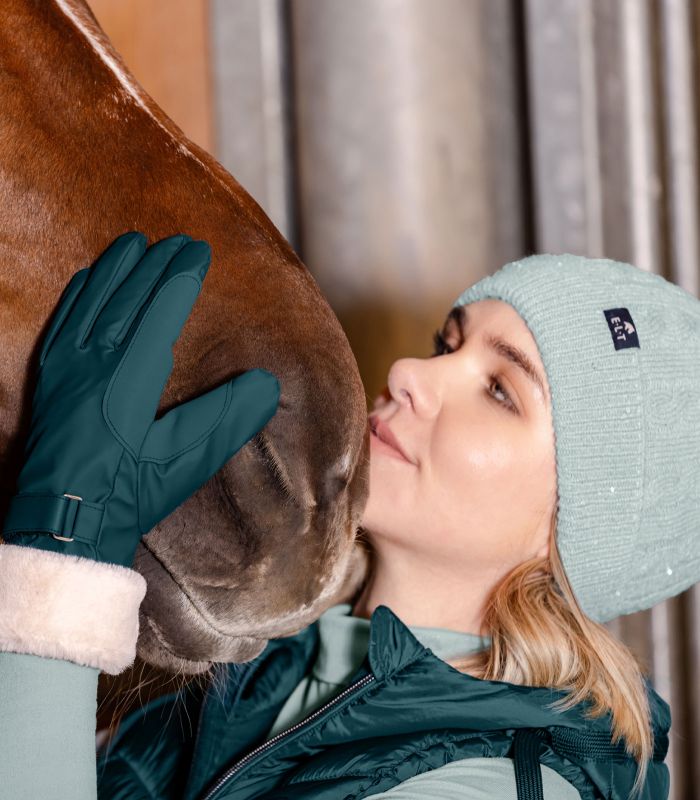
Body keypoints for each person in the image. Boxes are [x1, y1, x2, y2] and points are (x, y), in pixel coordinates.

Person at [0, 232, 698, 799]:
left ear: (571, 533)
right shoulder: (274, 669)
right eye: (444, 346)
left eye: (499, 390)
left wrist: (63, 546)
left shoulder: (489, 787)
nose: (407, 373)